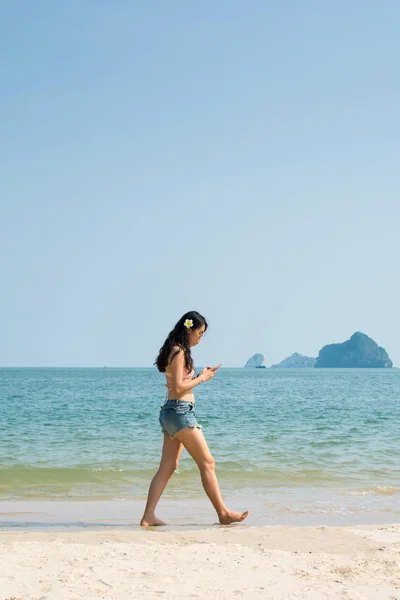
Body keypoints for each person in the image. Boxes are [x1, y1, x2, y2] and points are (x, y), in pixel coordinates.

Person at [140, 311, 249, 526]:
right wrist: (202, 378)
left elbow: (174, 383)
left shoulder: (174, 350)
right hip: (180, 412)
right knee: (207, 462)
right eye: (199, 333)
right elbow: (179, 387)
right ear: (189, 329)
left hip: (171, 412)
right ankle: (223, 513)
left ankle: (148, 516)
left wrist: (200, 376)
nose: (200, 338)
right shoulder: (179, 351)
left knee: (168, 466)